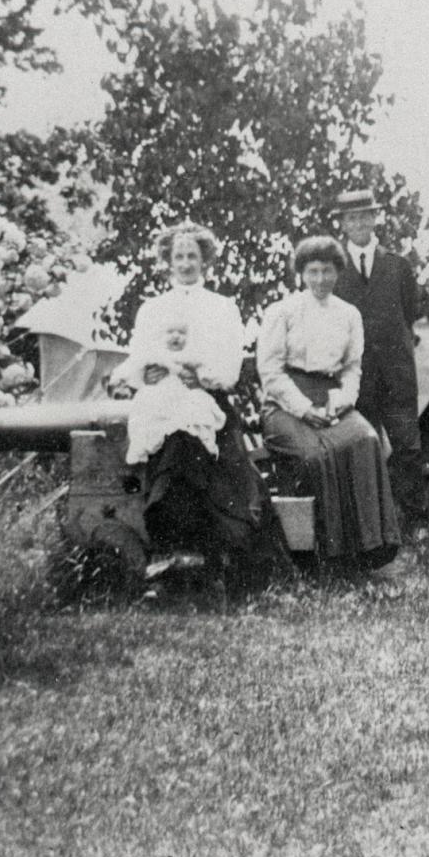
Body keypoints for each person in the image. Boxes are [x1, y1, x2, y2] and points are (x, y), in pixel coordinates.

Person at [110, 223, 291, 592]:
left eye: (193, 255)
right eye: (178, 256)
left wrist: (203, 377)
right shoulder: (152, 308)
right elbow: (139, 357)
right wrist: (149, 371)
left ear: (205, 260)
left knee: (193, 448)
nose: (186, 263)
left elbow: (229, 365)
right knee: (172, 439)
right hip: (161, 399)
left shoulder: (222, 308)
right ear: (167, 261)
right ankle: (172, 550)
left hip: (210, 402)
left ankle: (200, 555)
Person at [257, 235, 402, 566]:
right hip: (285, 403)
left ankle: (372, 549)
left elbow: (352, 368)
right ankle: (327, 554)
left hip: (331, 398)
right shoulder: (283, 312)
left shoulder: (349, 314)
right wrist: (304, 410)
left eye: (327, 271)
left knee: (366, 440)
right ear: (302, 274)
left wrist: (343, 401)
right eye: (313, 272)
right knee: (315, 455)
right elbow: (270, 372)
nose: (320, 280)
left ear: (338, 272)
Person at [331, 188, 427, 524]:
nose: (358, 223)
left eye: (364, 215)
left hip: (396, 373)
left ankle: (415, 517)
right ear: (342, 224)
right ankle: (375, 522)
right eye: (351, 217)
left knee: (407, 447)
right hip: (358, 377)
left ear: (375, 218)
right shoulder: (333, 269)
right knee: (365, 449)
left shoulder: (397, 265)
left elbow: (409, 311)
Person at [117, 319, 226, 464]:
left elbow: (208, 372)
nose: (176, 336)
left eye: (182, 333)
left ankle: (204, 443)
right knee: (147, 405)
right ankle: (145, 446)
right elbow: (134, 368)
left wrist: (201, 378)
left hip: (186, 393)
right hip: (161, 392)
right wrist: (140, 378)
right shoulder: (155, 354)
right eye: (170, 332)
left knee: (199, 405)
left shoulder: (192, 355)